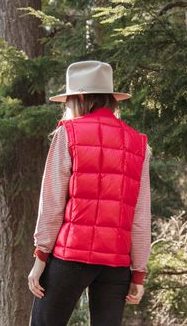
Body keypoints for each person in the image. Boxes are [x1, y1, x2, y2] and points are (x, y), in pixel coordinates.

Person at [28, 60, 151, 326]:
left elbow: (52, 200)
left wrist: (40, 256)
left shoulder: (68, 133)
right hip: (116, 264)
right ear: (110, 99)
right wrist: (138, 273)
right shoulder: (138, 143)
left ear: (80, 97)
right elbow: (140, 216)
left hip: (70, 256)